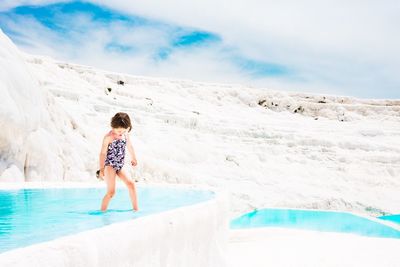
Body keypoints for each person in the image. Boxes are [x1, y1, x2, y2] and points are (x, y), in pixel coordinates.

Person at [98, 112, 139, 211]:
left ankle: (136, 210)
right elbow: (103, 153)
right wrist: (101, 168)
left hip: (120, 165)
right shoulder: (109, 137)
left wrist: (134, 158)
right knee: (111, 193)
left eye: (123, 130)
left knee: (131, 184)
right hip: (110, 165)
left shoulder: (125, 135)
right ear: (113, 126)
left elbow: (130, 146)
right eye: (118, 130)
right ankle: (102, 212)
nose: (120, 132)